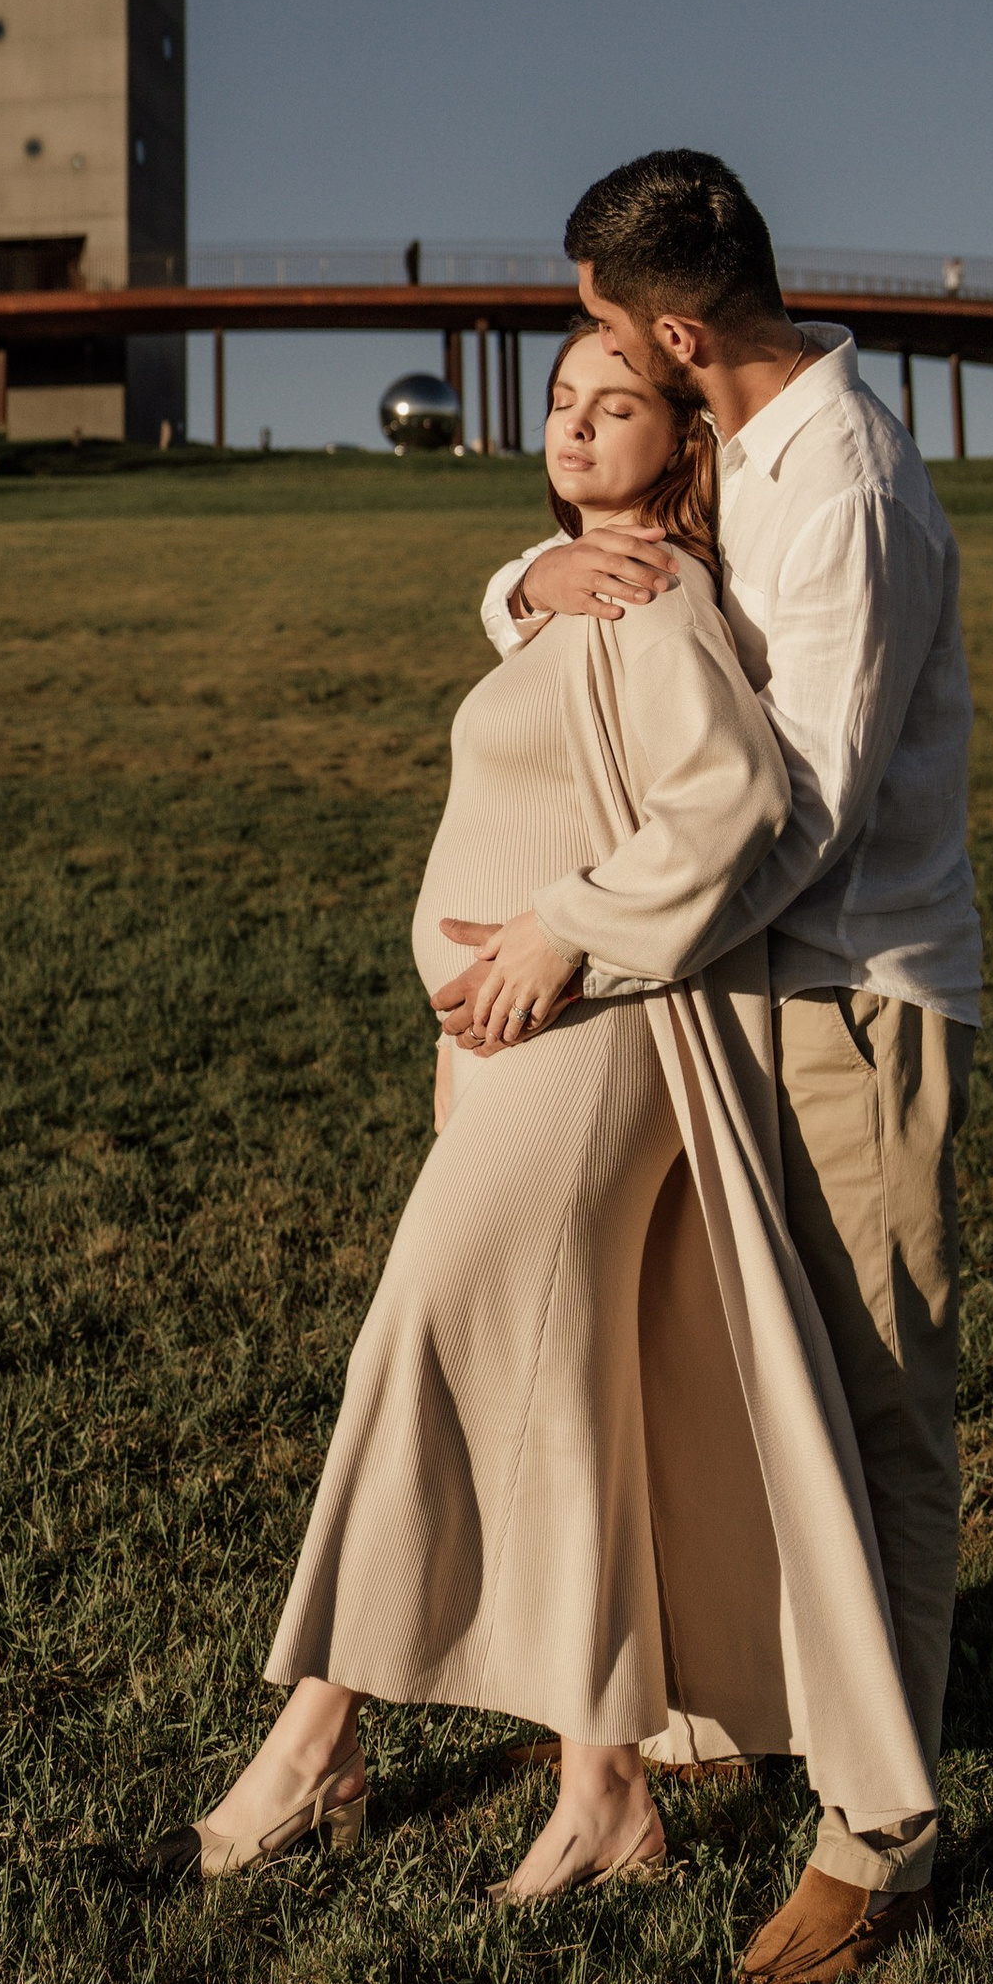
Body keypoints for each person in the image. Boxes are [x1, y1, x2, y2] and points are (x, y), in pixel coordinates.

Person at [159, 329, 933, 1903]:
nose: (577, 426)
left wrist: (556, 942)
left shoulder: (660, 607)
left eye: (619, 405)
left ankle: (314, 1743)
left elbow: (737, 805)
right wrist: (525, 585)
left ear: (682, 438)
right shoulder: (571, 587)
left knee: (425, 1332)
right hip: (519, 1044)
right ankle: (606, 1790)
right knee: (572, 1380)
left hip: (596, 1033)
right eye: (566, 405)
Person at [435, 149, 980, 1984]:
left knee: (879, 1405)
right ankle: (723, 1714)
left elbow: (797, 806)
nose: (599, 366)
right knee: (740, 1382)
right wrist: (532, 573)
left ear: (678, 326)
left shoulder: (844, 487)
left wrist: (567, 931)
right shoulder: (740, 450)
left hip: (851, 996)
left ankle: (880, 1838)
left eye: (607, 334)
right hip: (731, 986)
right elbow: (633, 574)